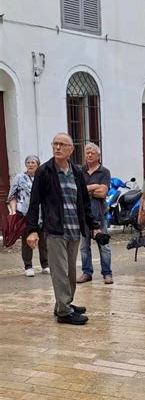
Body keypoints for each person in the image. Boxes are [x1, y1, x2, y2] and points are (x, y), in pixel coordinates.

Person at [26, 133, 100, 325]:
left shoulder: (76, 172)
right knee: (59, 272)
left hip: (74, 229)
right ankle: (64, 312)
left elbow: (83, 202)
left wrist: (94, 226)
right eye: (55, 144)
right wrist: (32, 230)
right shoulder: (45, 171)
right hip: (55, 230)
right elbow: (34, 203)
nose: (57, 147)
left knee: (70, 272)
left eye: (62, 144)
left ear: (71, 149)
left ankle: (63, 303)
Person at [77, 143, 113, 285]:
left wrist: (87, 190)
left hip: (99, 214)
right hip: (84, 214)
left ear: (98, 155)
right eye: (87, 153)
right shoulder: (80, 171)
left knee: (103, 245)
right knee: (84, 246)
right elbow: (78, 191)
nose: (89, 155)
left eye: (92, 153)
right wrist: (93, 187)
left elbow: (103, 192)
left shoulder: (104, 172)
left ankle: (107, 273)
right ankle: (87, 272)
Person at [7, 155, 49, 277]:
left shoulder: (42, 177)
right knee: (27, 240)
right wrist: (14, 212)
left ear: (38, 164)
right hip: (25, 213)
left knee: (44, 241)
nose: (30, 165)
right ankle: (28, 266)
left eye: (33, 162)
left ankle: (45, 265)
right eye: (28, 162)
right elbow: (12, 195)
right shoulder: (20, 178)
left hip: (42, 214)